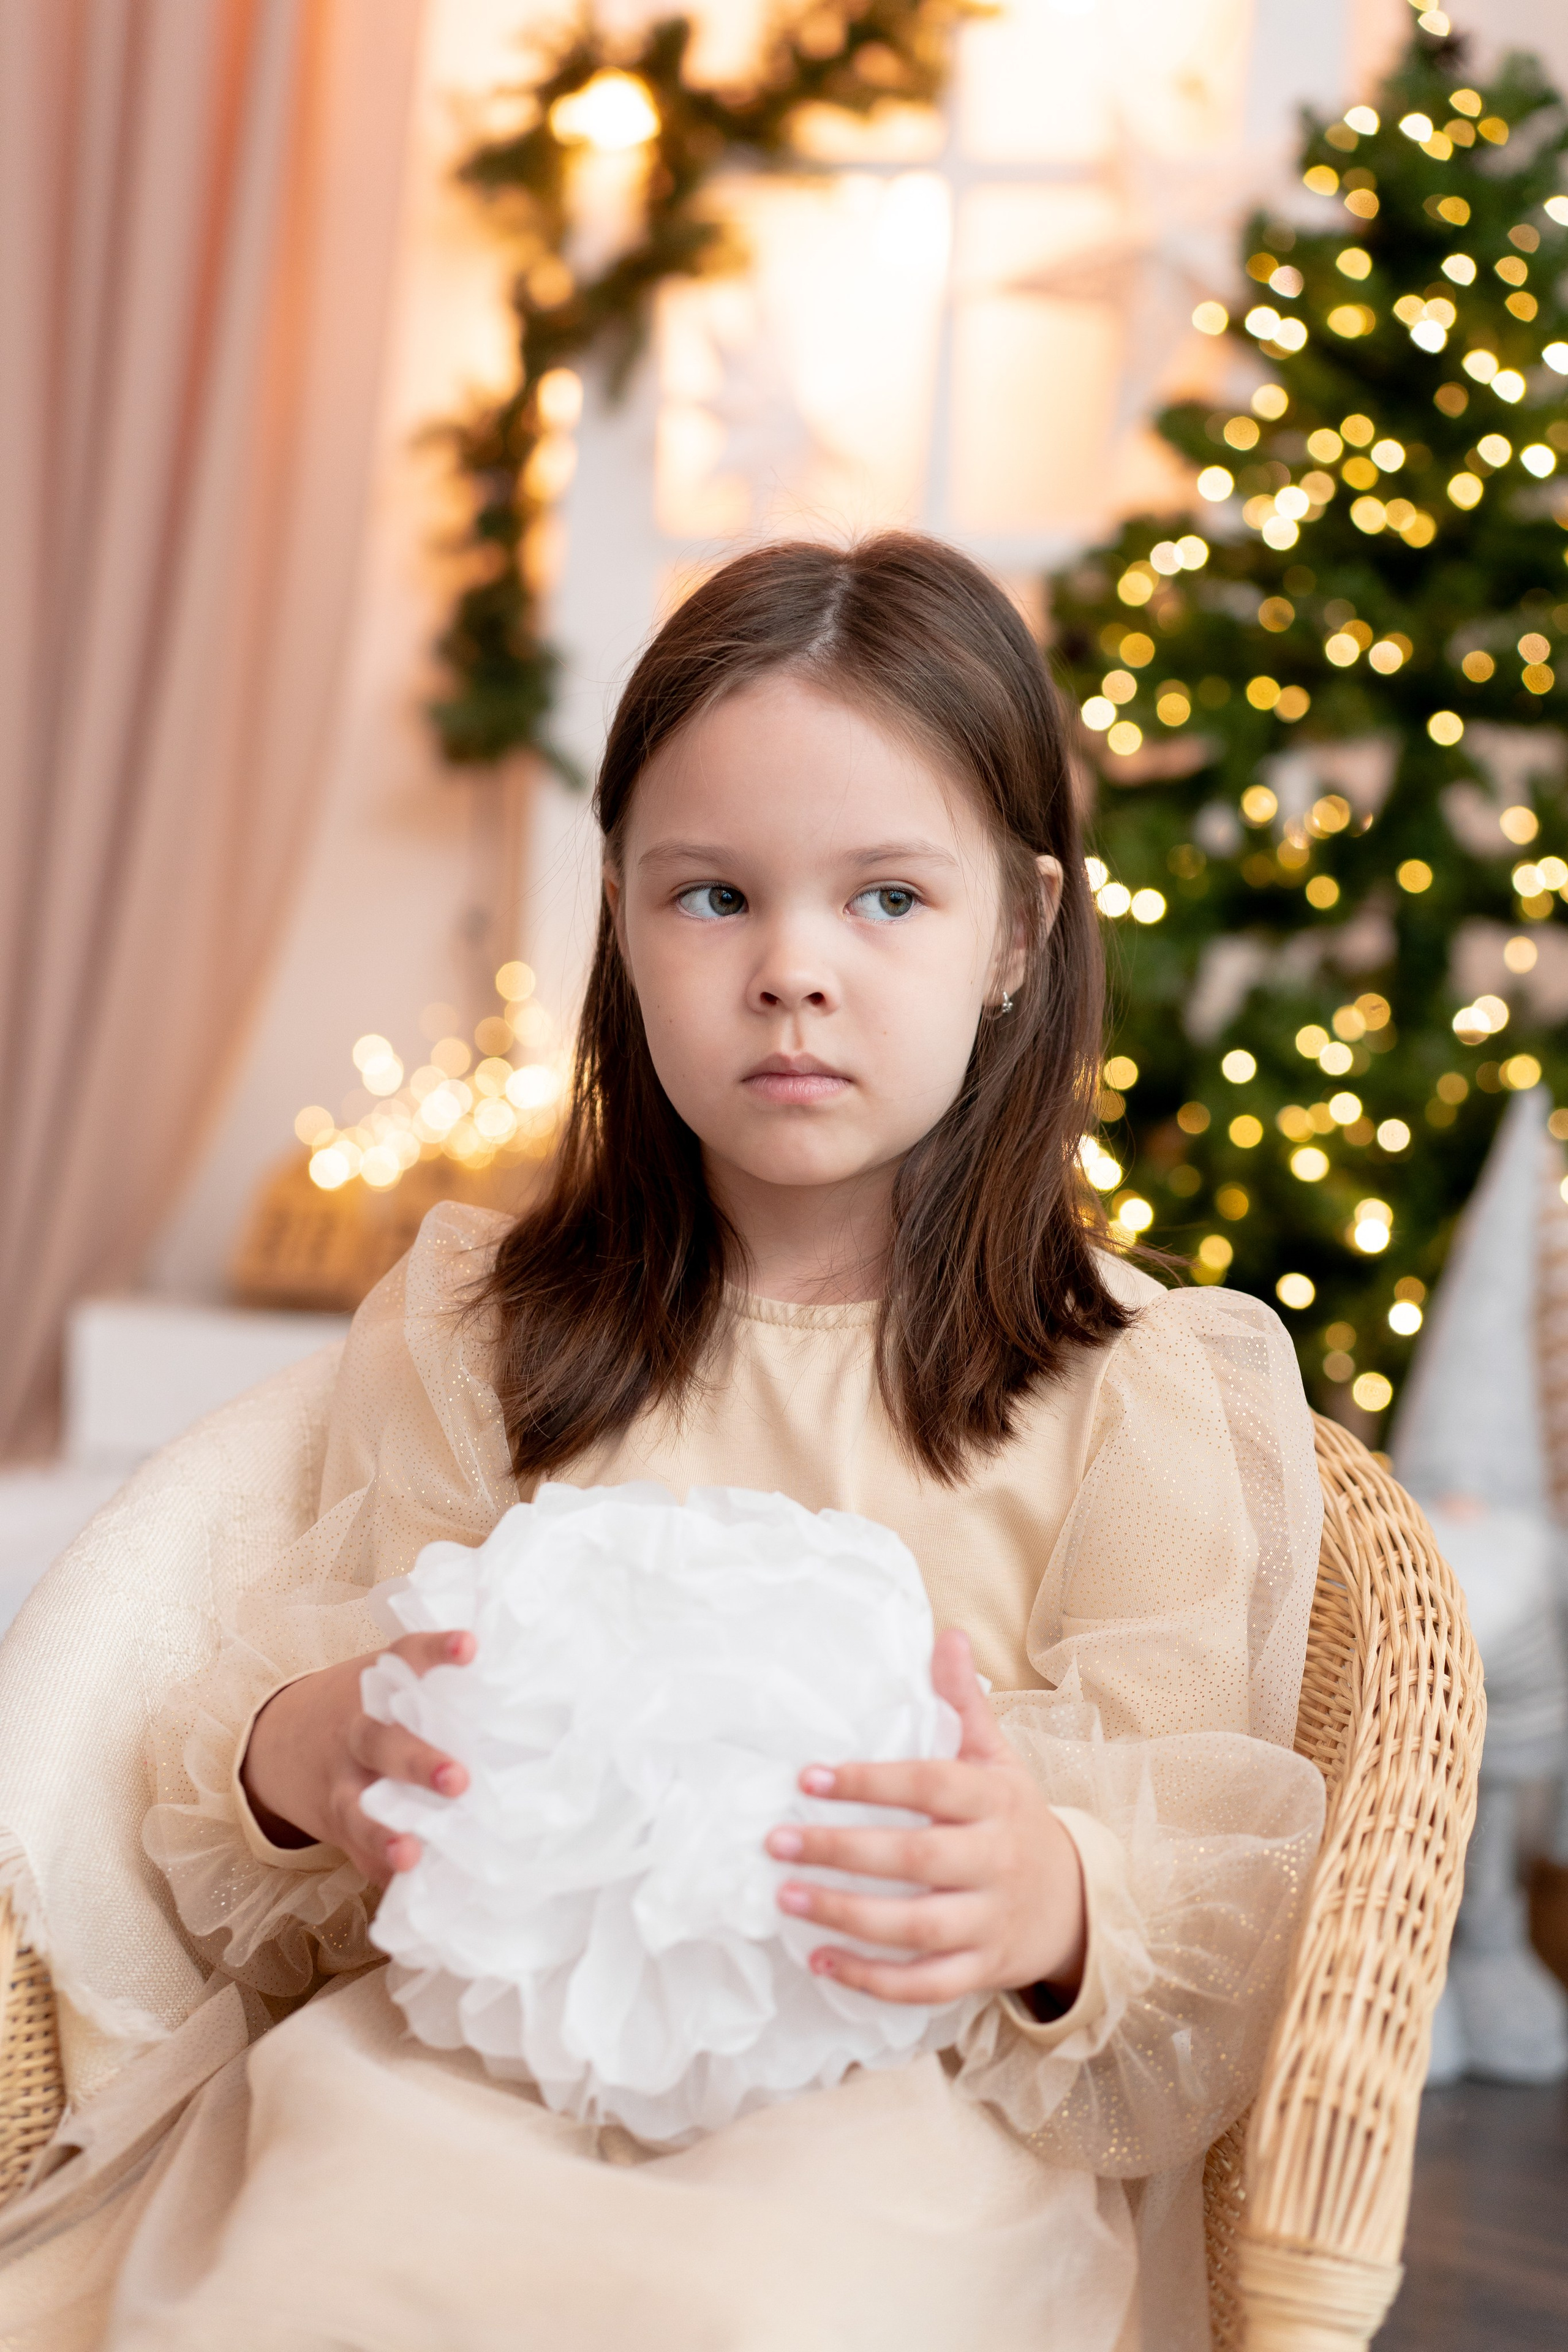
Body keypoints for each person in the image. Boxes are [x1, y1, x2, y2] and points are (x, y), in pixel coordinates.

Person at [1, 535, 1325, 2352]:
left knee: (755, 2308)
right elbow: (305, 1759)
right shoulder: (485, 1327)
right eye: (713, 897)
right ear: (621, 919)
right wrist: (319, 1752)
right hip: (464, 2078)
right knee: (322, 2271)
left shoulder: (1136, 1386)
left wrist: (1048, 1896)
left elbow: (1205, 1889)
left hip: (895, 2118)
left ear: (1019, 933)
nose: (793, 970)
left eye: (886, 900)